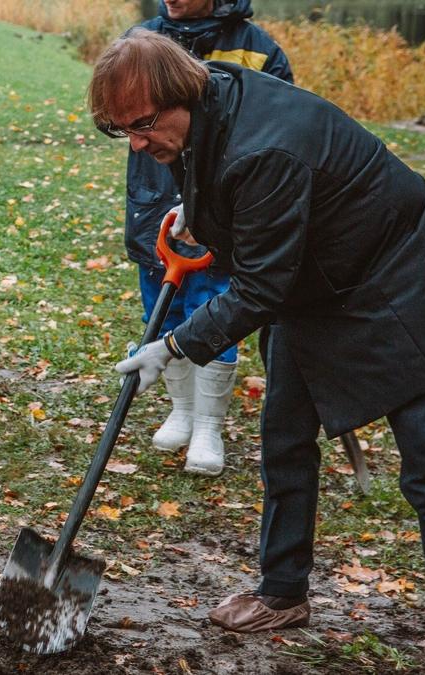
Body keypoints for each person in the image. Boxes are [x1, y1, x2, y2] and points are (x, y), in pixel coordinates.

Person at [96, 30, 425, 657]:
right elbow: (224, 182)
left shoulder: (264, 148)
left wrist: (176, 347)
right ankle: (282, 591)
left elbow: (261, 286)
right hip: (315, 283)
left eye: (141, 125)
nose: (134, 142)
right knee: (285, 438)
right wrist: (203, 208)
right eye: (119, 130)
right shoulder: (207, 103)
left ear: (180, 94)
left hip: (398, 284)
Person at [125, 0, 292, 476]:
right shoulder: (140, 39)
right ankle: (181, 410)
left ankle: (208, 427)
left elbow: (278, 128)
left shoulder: (256, 50)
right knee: (162, 310)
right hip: (153, 202)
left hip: (223, 206)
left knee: (214, 309)